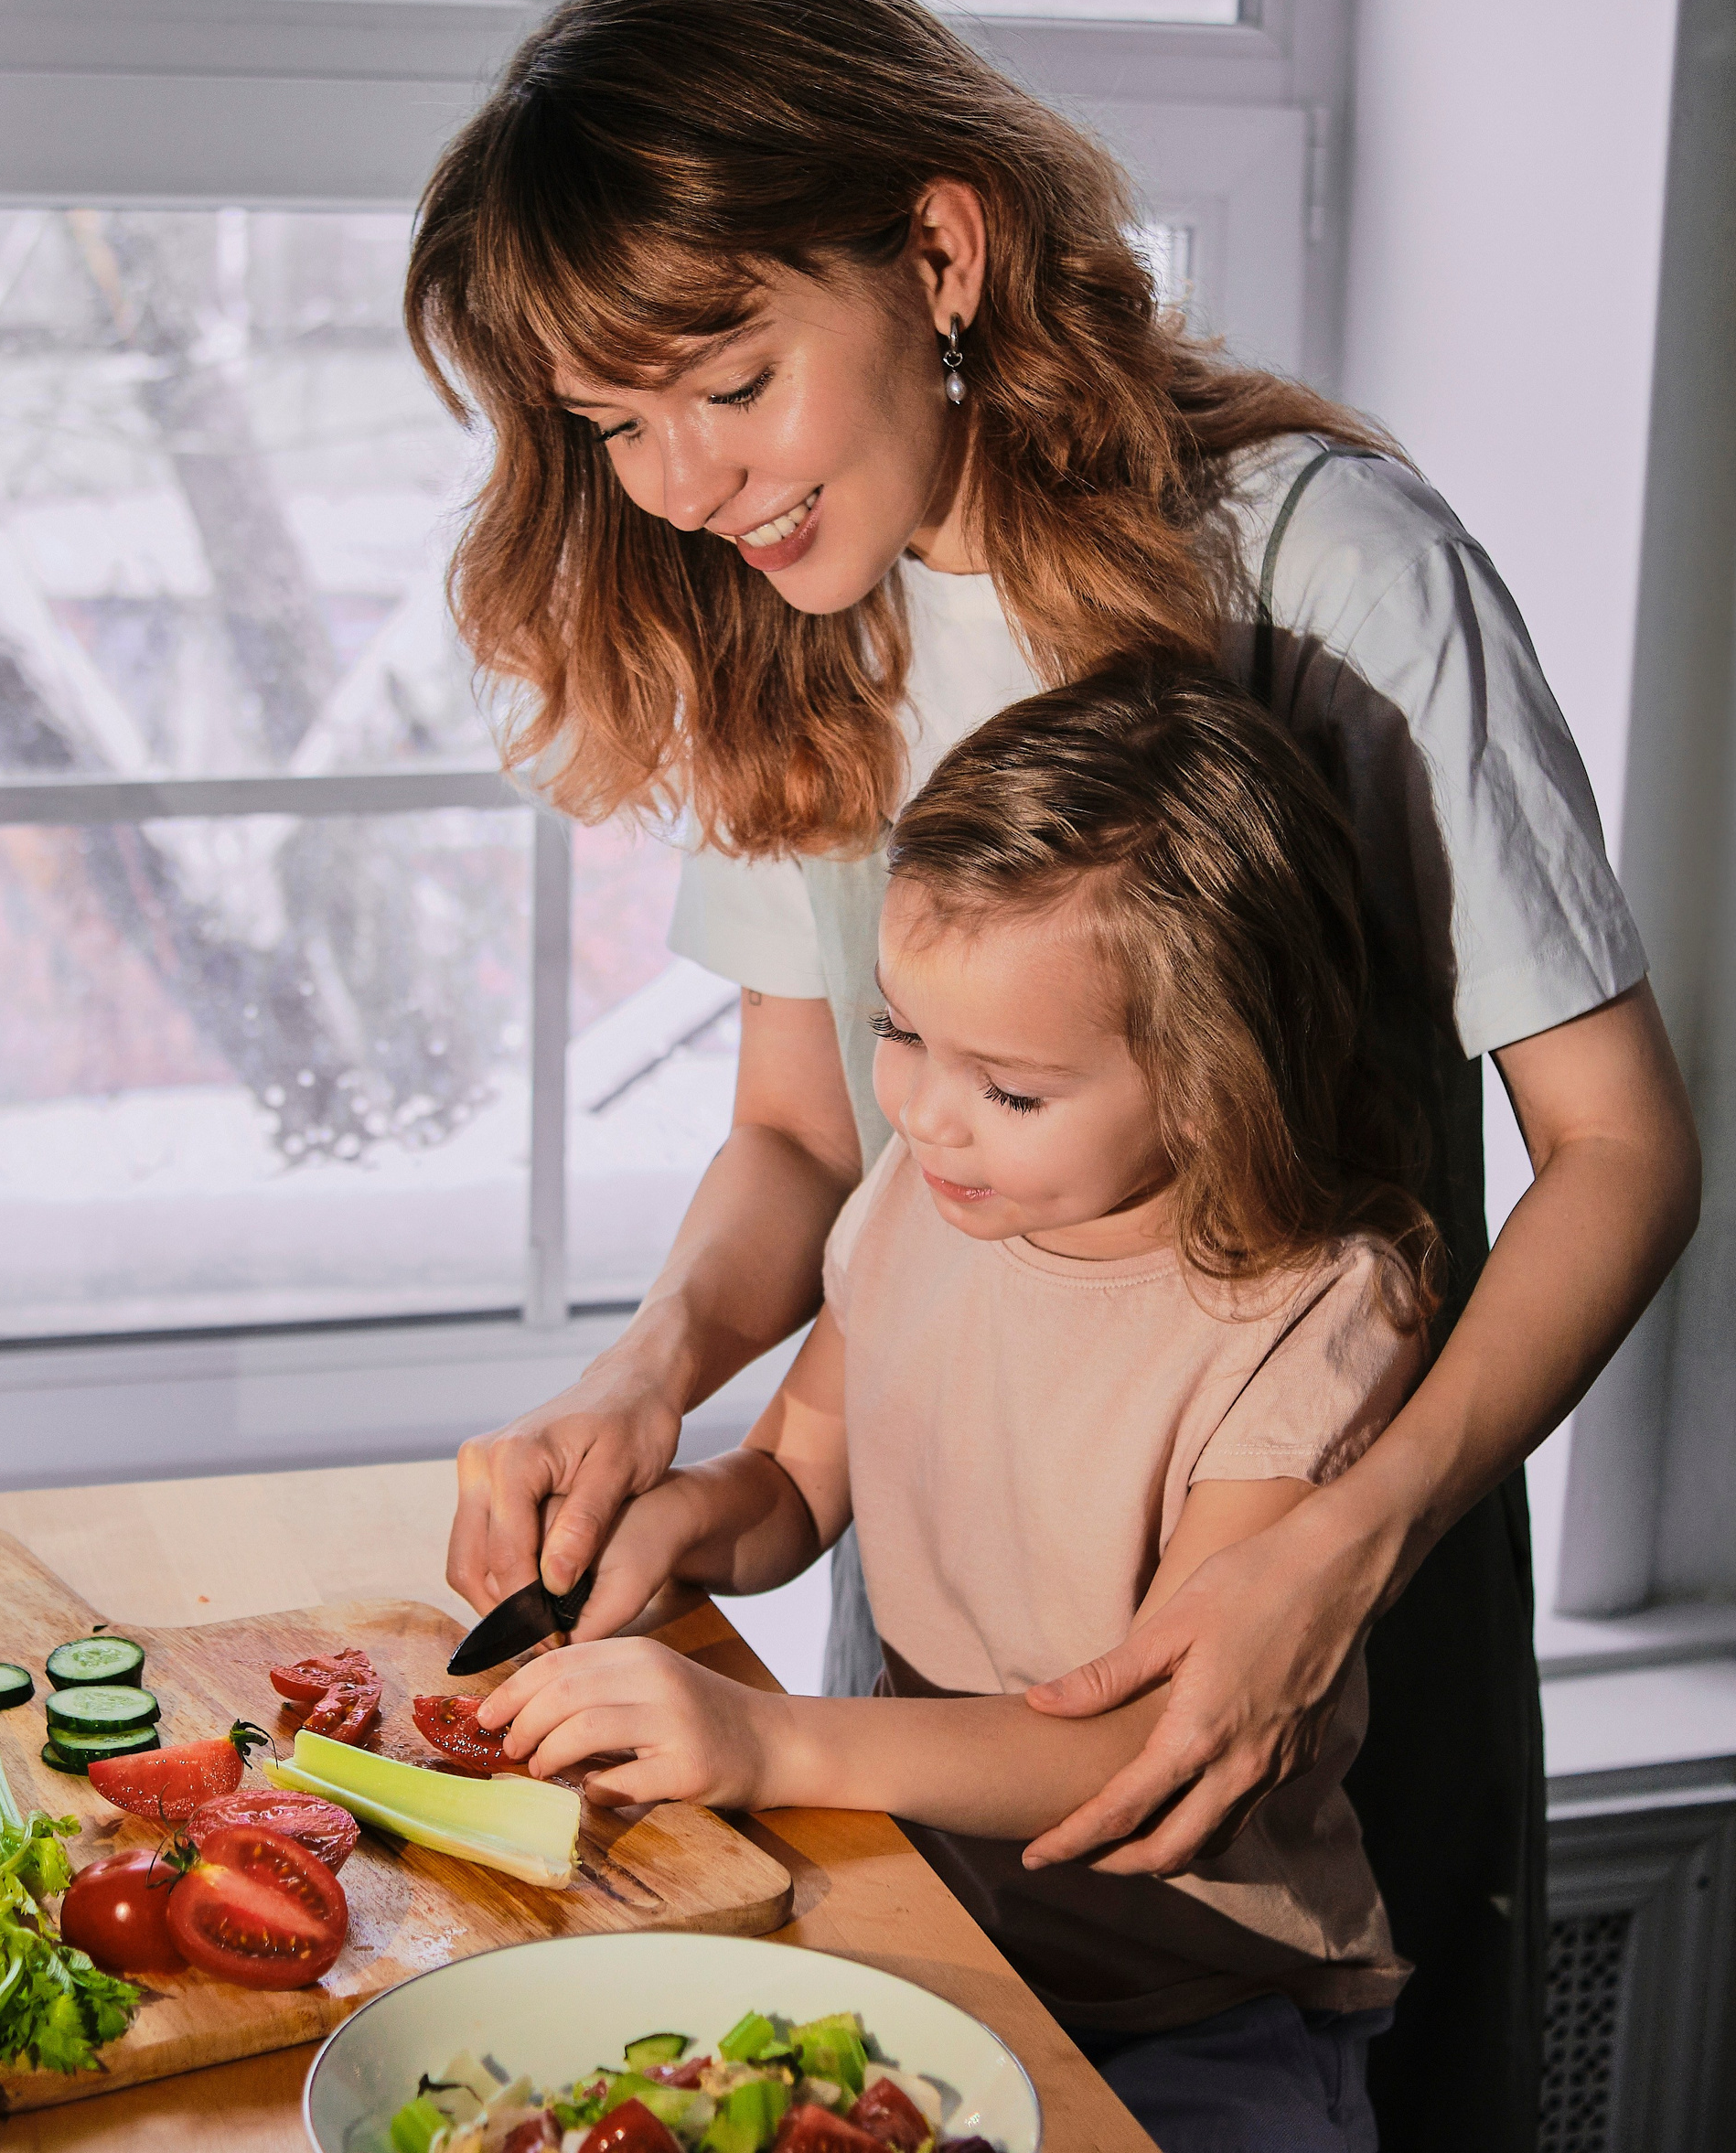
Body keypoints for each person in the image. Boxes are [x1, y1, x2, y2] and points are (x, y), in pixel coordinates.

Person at [407, 0, 1699, 2149]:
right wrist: (646, 1380)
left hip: (1319, 1613)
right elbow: (808, 1144)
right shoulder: (784, 615)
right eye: (616, 427)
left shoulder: (1323, 570)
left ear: (932, 247)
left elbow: (1614, 1149)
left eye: (726, 382)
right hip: (932, 1684)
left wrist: (1344, 1537)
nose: (686, 485)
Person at [484, 663, 1444, 2151]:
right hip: (933, 1937)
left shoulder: (1315, 1321)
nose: (925, 1112)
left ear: (1213, 1084)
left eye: (1010, 1088)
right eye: (902, 1032)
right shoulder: (929, 1199)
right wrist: (671, 1522)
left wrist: (765, 1741)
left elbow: (1141, 1749)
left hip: (1205, 2016)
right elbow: (799, 1479)